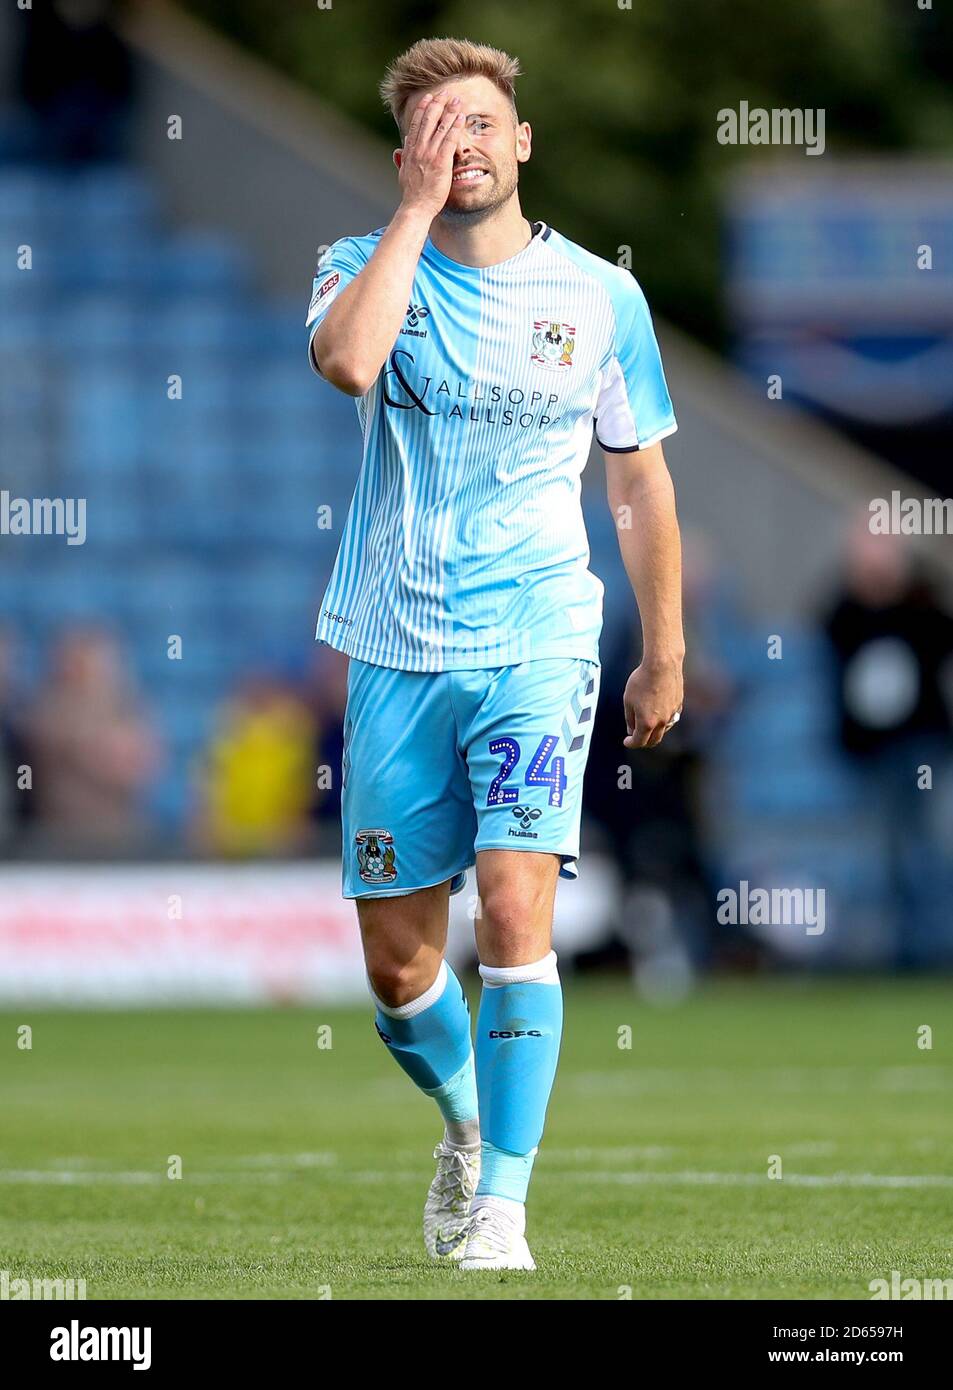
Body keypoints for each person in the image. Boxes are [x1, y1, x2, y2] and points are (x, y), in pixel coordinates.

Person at [305, 38, 684, 1270]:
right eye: (434, 129)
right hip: (395, 645)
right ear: (404, 156)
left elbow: (636, 480)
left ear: (521, 141)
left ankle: (504, 1211)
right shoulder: (357, 266)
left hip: (539, 636)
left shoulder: (600, 297)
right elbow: (348, 361)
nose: (460, 143)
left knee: (516, 904)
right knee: (397, 967)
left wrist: (664, 648)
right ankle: (464, 1127)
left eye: (479, 122)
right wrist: (412, 216)